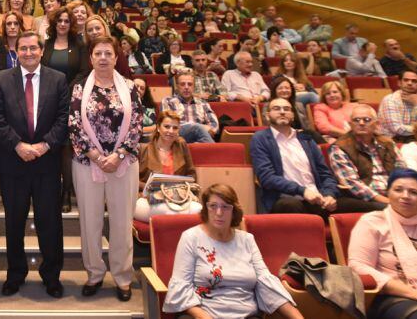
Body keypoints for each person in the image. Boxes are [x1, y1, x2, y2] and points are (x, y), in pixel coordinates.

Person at [0, 31, 70, 298]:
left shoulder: (58, 80)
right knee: (14, 222)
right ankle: (15, 274)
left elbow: (63, 118)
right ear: (17, 51)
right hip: (14, 163)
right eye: (23, 49)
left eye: (33, 48)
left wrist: (45, 145)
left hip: (47, 163)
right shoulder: (1, 79)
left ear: (42, 50)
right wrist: (18, 145)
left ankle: (51, 276)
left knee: (50, 223)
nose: (28, 53)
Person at [69, 36, 142, 302]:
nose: (102, 58)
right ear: (91, 58)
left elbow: (136, 124)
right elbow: (74, 124)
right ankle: (94, 274)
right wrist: (98, 157)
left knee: (122, 224)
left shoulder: (131, 88)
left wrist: (118, 155)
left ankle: (123, 277)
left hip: (124, 164)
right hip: (88, 163)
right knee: (90, 222)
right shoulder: (79, 87)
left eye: (107, 53)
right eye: (97, 53)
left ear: (115, 57)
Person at [163, 184, 301, 319]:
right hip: (204, 314)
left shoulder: (247, 240)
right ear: (205, 208)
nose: (219, 212)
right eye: (213, 206)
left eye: (225, 207)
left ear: (234, 210)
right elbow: (182, 285)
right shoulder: (191, 237)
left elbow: (266, 282)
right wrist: (203, 316)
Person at [251, 97, 378, 216]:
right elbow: (267, 177)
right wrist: (302, 191)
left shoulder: (305, 139)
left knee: (372, 207)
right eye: (276, 109)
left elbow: (325, 174)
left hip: (318, 199)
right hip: (285, 199)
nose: (282, 112)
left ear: (293, 115)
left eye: (287, 109)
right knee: (291, 205)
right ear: (267, 115)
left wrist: (329, 194)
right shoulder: (261, 138)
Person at [348, 168, 417, 318]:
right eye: (398, 190)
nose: (406, 196)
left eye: (414, 192)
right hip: (388, 296)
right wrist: (412, 293)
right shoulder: (372, 222)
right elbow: (358, 266)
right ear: (388, 193)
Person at [328, 104, 404, 211]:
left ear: (376, 124)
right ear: (350, 124)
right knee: (391, 209)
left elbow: (403, 173)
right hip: (365, 199)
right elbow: (352, 184)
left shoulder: (388, 143)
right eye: (356, 120)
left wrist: (400, 196)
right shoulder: (339, 147)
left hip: (394, 194)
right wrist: (388, 201)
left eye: (367, 120)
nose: (361, 123)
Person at [134, 111, 198, 222]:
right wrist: (155, 188)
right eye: (167, 126)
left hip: (176, 198)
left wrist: (179, 189)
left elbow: (192, 174)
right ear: (158, 127)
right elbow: (132, 180)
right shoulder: (143, 148)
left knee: (199, 210)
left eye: (175, 128)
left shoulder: (181, 145)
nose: (170, 131)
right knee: (169, 213)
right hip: (146, 199)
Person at [161, 73, 219, 143]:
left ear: (194, 87)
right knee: (197, 128)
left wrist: (210, 129)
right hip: (176, 134)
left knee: (199, 136)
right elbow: (167, 122)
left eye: (190, 84)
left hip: (200, 136)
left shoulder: (203, 103)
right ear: (177, 86)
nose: (186, 87)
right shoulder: (168, 101)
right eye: (182, 84)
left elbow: (214, 123)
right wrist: (198, 127)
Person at [42, 7, 89, 86]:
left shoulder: (79, 45)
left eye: (66, 21)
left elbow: (84, 71)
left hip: (71, 91)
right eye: (59, 21)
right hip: (48, 90)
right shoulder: (46, 44)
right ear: (54, 23)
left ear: (71, 24)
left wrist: (69, 88)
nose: (62, 24)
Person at [379, 70, 417, 142]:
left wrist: (416, 104)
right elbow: (397, 129)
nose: (409, 83)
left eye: (414, 81)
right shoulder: (390, 100)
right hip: (393, 142)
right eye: (406, 80)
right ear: (399, 83)